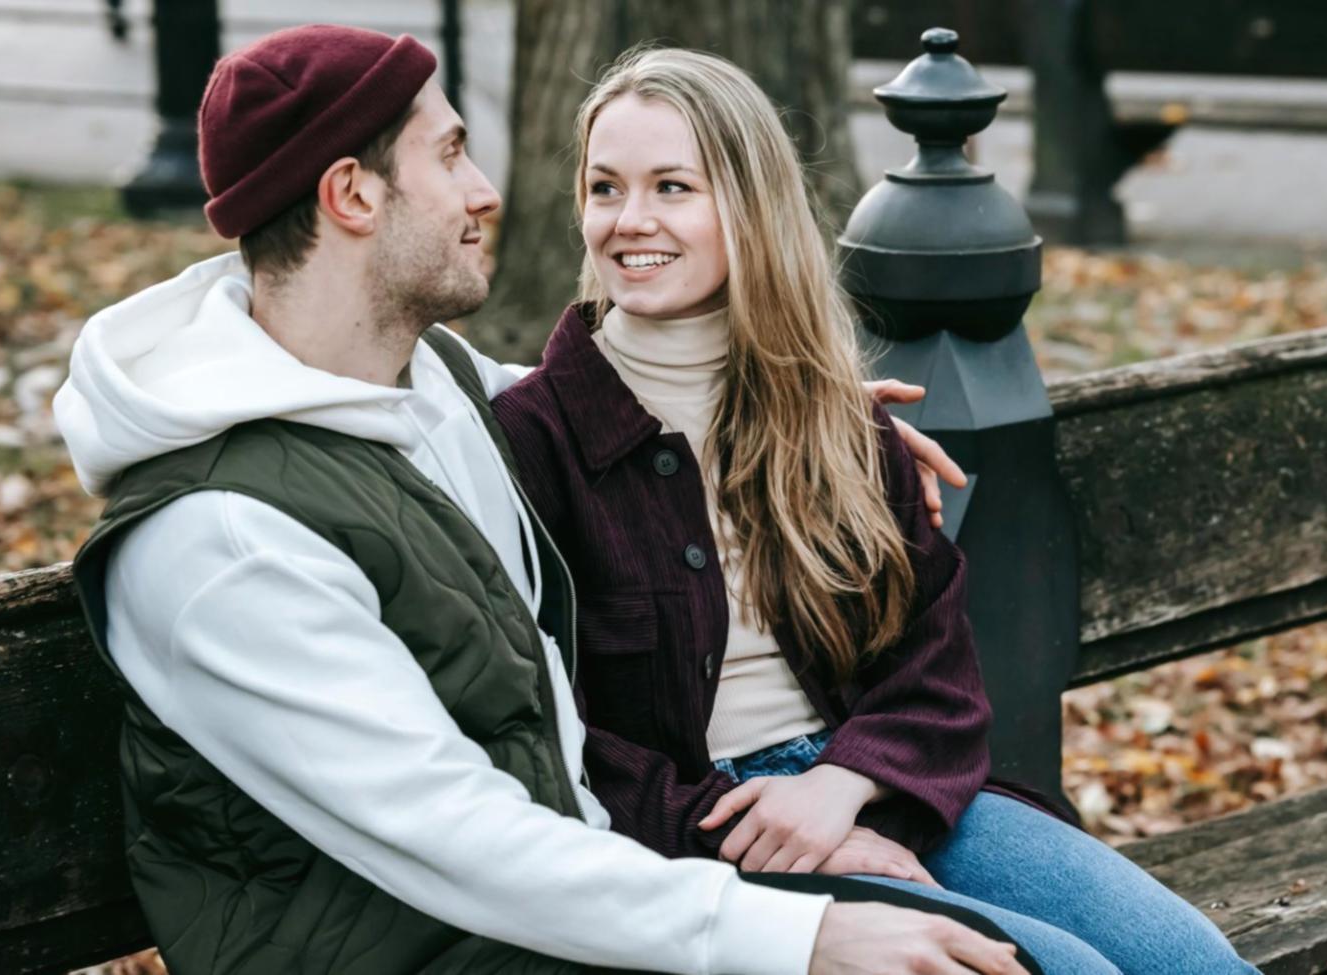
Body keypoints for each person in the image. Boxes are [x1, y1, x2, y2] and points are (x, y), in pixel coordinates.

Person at [53, 24, 1038, 975]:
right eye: (449, 156)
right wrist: (800, 941)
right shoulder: (224, 542)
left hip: (584, 908)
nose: (488, 193)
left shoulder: (419, 381)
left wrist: (800, 405)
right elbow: (457, 835)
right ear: (352, 194)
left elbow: (583, 393)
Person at [489, 47, 1261, 975]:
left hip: (879, 777)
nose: (631, 220)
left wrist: (842, 784)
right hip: (701, 835)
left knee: (1191, 960)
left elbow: (934, 658)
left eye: (673, 187)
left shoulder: (829, 415)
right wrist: (752, 826)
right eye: (605, 187)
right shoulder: (532, 441)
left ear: (750, 206)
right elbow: (541, 731)